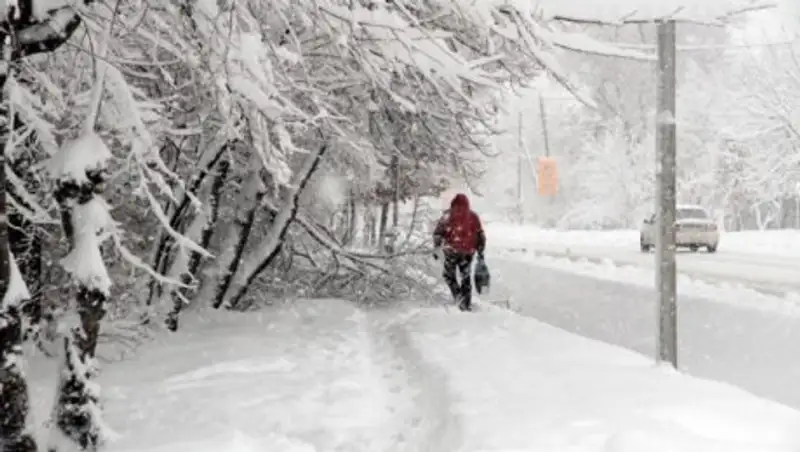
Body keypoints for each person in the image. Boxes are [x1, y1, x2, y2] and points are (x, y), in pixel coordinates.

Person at [432, 193, 486, 311]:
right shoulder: (473, 216)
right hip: (467, 253)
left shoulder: (447, 215)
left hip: (451, 251)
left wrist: (436, 247)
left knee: (448, 275)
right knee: (465, 278)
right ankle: (466, 303)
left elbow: (437, 234)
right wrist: (480, 251)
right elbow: (480, 235)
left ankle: (458, 297)